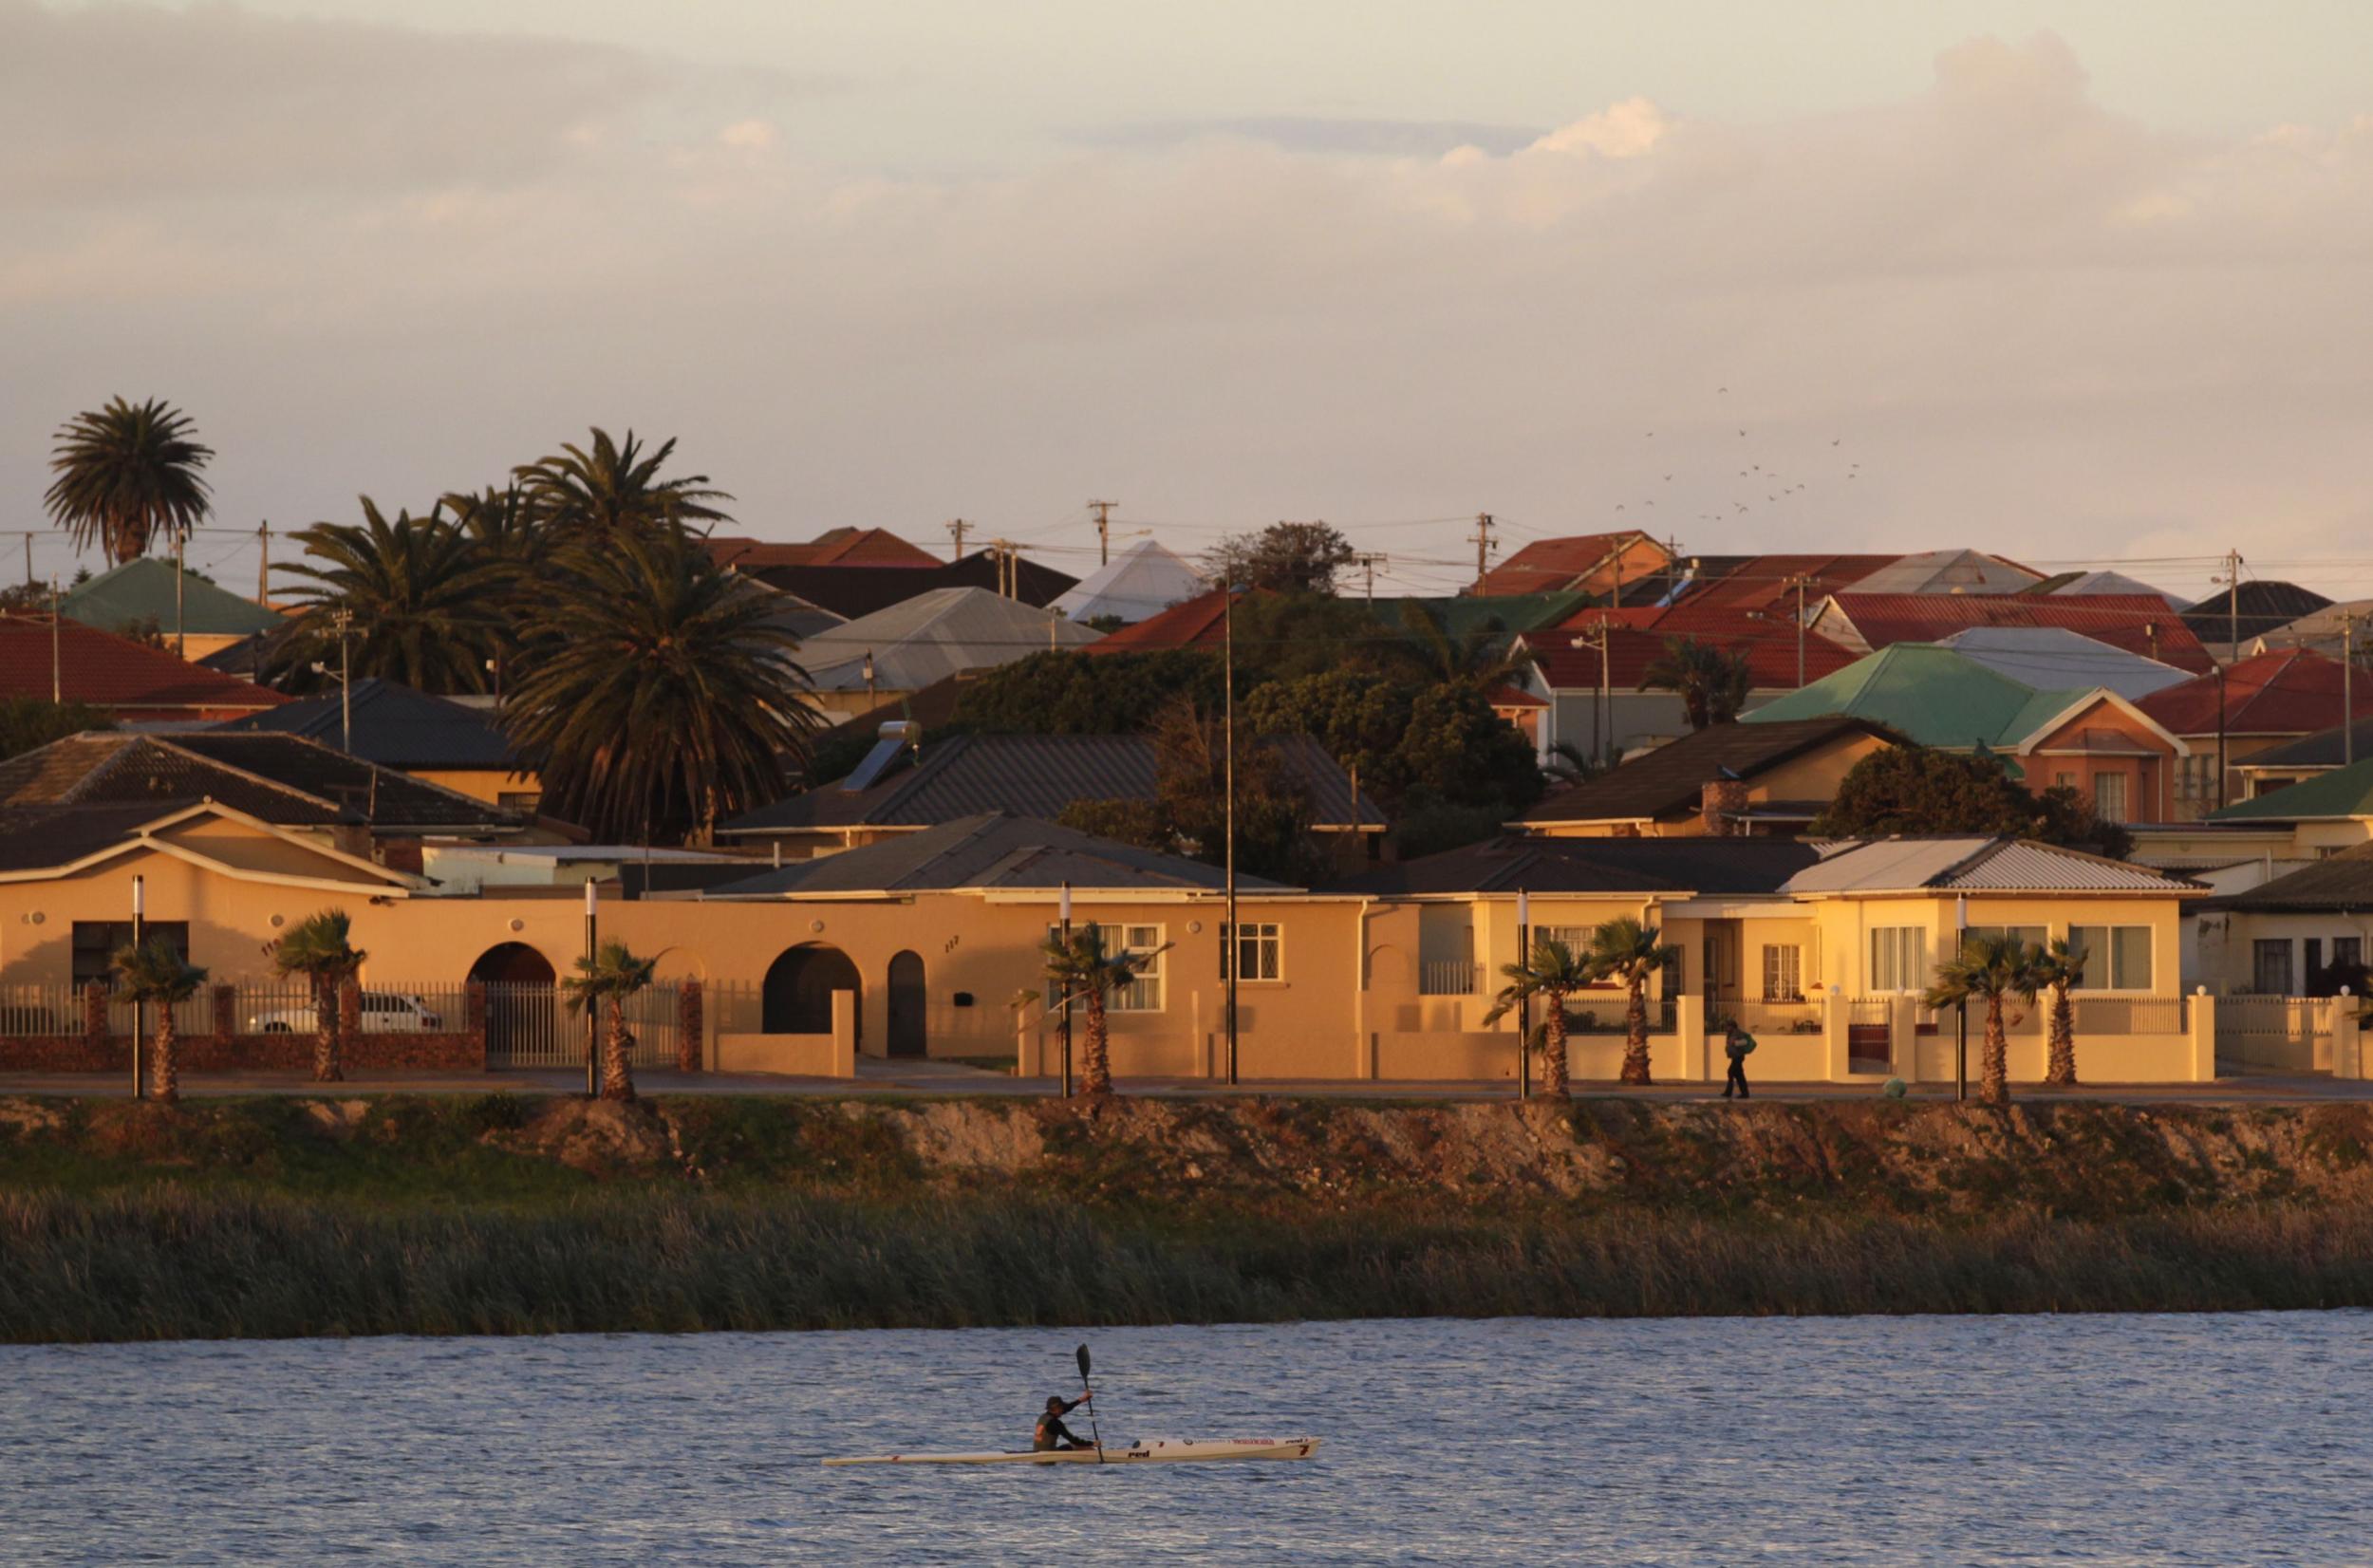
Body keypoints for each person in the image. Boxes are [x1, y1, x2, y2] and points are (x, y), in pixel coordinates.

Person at [1723, 1022, 1756, 1099]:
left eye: (1727, 1027)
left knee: (1731, 1072)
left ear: (1732, 1027)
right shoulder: (1730, 1034)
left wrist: (1735, 1043)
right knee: (1739, 1075)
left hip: (1738, 1056)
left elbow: (1745, 1042)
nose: (1726, 1028)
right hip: (1735, 1057)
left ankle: (1729, 1092)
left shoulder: (1738, 1033)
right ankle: (1744, 1093)